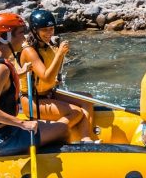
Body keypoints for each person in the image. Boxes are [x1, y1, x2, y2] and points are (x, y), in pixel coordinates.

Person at [0, 12, 68, 156]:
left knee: (51, 126)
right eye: (21, 33)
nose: (24, 39)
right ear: (6, 37)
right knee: (63, 129)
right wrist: (23, 123)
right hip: (2, 140)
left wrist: (19, 74)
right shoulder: (1, 69)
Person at [18, 9, 97, 142]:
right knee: (75, 112)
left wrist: (60, 54)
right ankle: (50, 135)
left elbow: (52, 77)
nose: (49, 33)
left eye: (51, 29)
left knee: (87, 99)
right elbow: (46, 77)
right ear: (35, 30)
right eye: (45, 30)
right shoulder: (29, 51)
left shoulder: (47, 46)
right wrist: (60, 54)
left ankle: (86, 139)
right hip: (33, 101)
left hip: (48, 93)